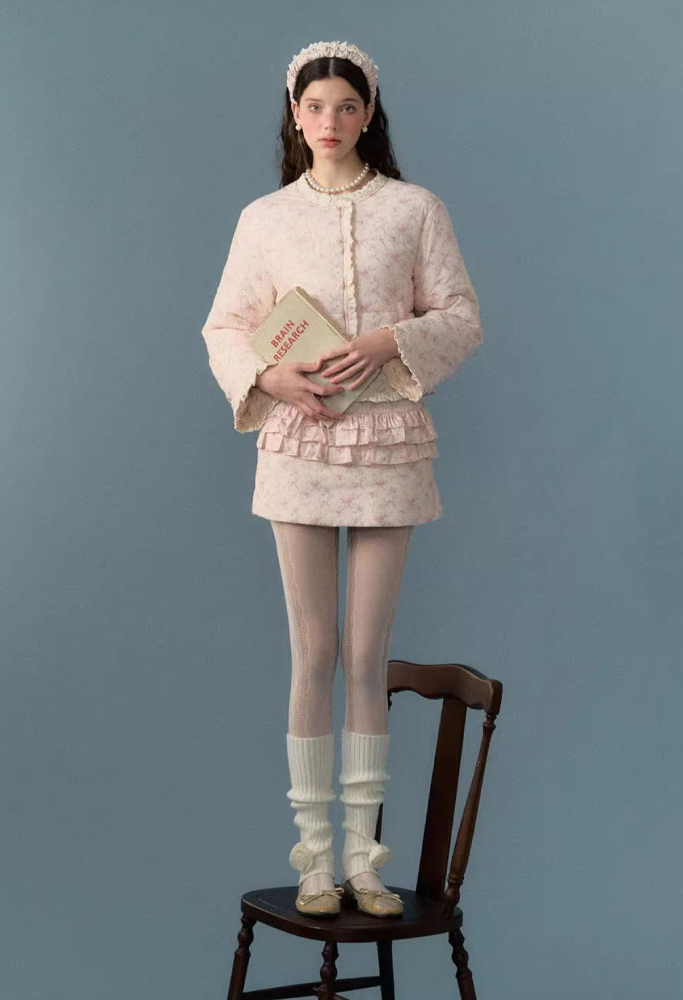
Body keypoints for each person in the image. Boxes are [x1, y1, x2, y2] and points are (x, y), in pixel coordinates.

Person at [201, 40, 482, 918]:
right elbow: (225, 327)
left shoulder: (416, 208)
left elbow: (462, 316)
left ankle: (364, 859)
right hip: (298, 444)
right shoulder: (264, 219)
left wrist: (389, 340)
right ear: (295, 113)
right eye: (316, 107)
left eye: (347, 107)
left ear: (369, 115)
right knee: (313, 651)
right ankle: (314, 861)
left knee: (366, 655)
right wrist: (270, 377)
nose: (330, 122)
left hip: (389, 440)